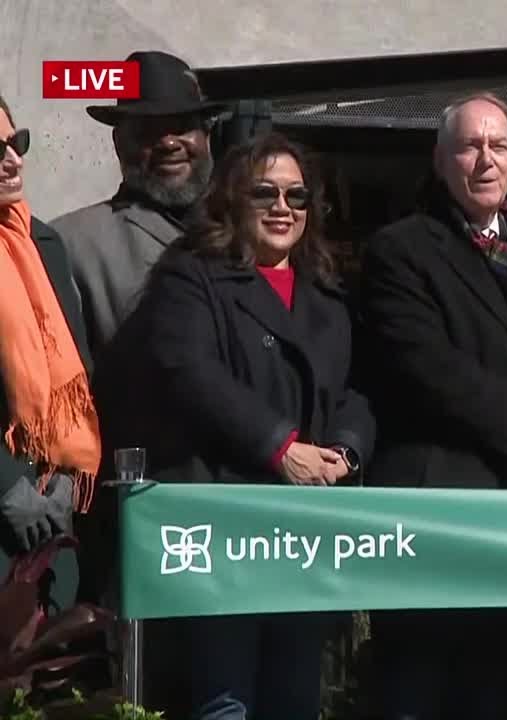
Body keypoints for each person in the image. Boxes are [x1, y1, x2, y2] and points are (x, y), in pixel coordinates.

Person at [114, 131, 373, 719]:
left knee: (296, 698)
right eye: (265, 193)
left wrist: (346, 450)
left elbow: (358, 386)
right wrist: (280, 447)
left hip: (304, 534)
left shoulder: (328, 292)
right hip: (223, 528)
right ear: (233, 198)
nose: (283, 207)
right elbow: (189, 371)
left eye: (296, 196)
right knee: (224, 699)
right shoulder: (191, 275)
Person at [357, 91, 507, 719]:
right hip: (434, 506)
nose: (485, 160)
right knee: (420, 690)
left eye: (498, 146)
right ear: (441, 161)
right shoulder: (400, 249)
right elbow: (428, 369)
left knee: (500, 693)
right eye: (469, 146)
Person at [51, 50, 224, 361]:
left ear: (207, 137)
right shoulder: (71, 246)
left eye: (182, 126)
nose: (168, 143)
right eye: (147, 131)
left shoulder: (253, 227)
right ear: (119, 144)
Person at [0, 94, 100, 614]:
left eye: (16, 143)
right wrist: (6, 488)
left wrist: (62, 477)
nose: (12, 160)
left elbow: (76, 365)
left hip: (50, 520)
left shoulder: (44, 243)